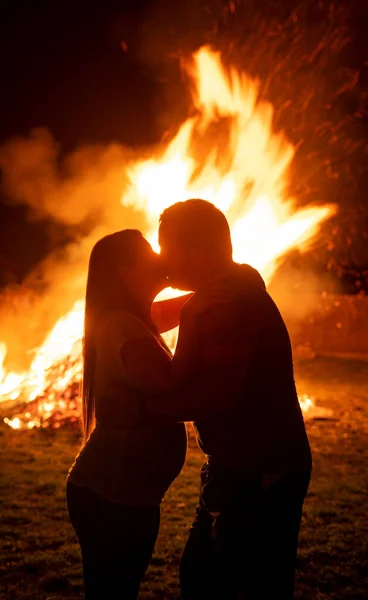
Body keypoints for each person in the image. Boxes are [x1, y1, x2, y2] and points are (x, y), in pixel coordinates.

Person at [99, 200, 313, 599]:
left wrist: (141, 410)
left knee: (224, 581)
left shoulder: (231, 305)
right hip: (244, 466)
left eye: (168, 246)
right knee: (212, 575)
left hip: (259, 469)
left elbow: (216, 397)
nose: (163, 258)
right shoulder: (220, 295)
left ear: (196, 252)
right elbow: (150, 318)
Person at [66, 229, 233, 600]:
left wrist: (227, 284)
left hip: (126, 496)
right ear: (127, 271)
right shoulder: (121, 324)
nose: (160, 256)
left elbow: (192, 301)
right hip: (111, 496)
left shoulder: (134, 316)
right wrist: (191, 316)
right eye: (149, 252)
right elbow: (170, 380)